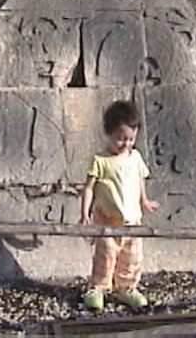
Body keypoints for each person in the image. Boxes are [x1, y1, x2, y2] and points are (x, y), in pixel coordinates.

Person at [79, 100, 160, 311]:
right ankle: (97, 288)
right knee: (106, 255)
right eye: (121, 139)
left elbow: (139, 180)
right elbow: (89, 188)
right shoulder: (100, 160)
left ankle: (127, 287)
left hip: (132, 219)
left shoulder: (135, 157)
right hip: (107, 218)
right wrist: (85, 213)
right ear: (109, 133)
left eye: (131, 139)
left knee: (132, 256)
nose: (126, 144)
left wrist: (144, 201)